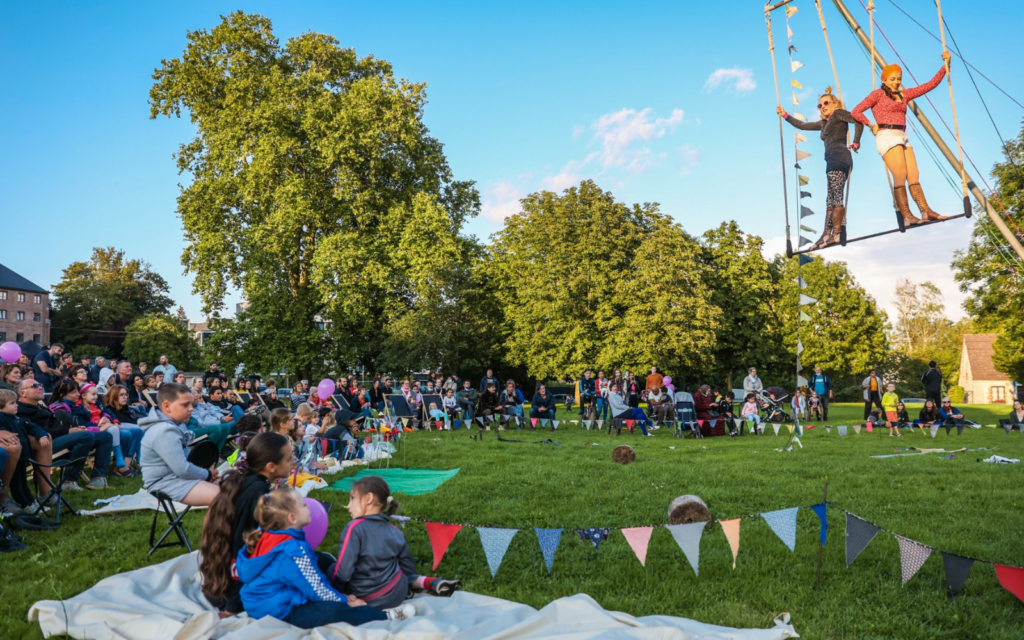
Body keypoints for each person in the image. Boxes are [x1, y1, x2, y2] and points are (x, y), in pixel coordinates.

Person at [236, 486, 415, 627]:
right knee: (332, 611)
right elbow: (316, 589)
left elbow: (308, 576)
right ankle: (382, 616)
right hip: (277, 612)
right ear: (292, 518)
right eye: (304, 505)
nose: (309, 506)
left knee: (322, 560)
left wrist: (340, 594)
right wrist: (345, 601)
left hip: (263, 602)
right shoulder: (292, 551)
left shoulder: (267, 534)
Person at [852, 52, 953, 226]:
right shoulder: (877, 94)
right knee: (900, 175)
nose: (896, 82)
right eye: (892, 79)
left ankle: (925, 211)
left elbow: (928, 86)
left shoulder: (904, 95)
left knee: (914, 175)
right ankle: (907, 216)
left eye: (898, 79)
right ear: (884, 80)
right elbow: (856, 111)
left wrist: (945, 66)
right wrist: (871, 125)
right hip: (887, 135)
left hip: (902, 136)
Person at [331, 476, 458, 611]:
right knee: (394, 568)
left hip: (365, 599)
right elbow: (408, 567)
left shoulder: (354, 528)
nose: (348, 505)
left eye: (352, 499)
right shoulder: (395, 531)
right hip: (397, 594)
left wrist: (339, 590)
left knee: (331, 567)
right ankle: (424, 582)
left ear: (368, 498)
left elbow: (343, 572)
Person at [200, 432, 293, 614]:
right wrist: (231, 608)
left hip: (222, 584)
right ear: (271, 466)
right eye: (288, 459)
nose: (292, 462)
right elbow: (241, 548)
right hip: (233, 592)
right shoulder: (257, 492)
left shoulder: (247, 481)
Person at [777, 88, 863, 248]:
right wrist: (785, 115)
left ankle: (835, 234)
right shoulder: (824, 123)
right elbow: (802, 125)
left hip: (839, 156)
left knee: (836, 196)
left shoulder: (839, 114)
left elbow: (858, 120)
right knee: (829, 200)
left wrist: (856, 141)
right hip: (831, 159)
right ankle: (826, 235)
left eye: (826, 103)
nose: (822, 106)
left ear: (835, 104)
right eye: (819, 105)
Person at [17, 378, 113, 492]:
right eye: (34, 386)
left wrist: (74, 429)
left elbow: (54, 427)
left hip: (56, 439)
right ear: (22, 393)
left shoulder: (39, 407)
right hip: (41, 446)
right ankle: (68, 480)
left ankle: (98, 478)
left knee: (105, 436)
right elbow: (36, 431)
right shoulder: (20, 410)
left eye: (40, 384)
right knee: (86, 436)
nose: (40, 387)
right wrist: (68, 432)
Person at [139, 382, 221, 506]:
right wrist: (207, 474)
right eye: (185, 405)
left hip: (176, 476)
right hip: (164, 482)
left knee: (232, 488)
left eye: (191, 404)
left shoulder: (175, 424)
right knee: (223, 497)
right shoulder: (165, 431)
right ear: (167, 406)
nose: (191, 408)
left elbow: (184, 456)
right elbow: (182, 469)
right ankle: (218, 525)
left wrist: (205, 468)